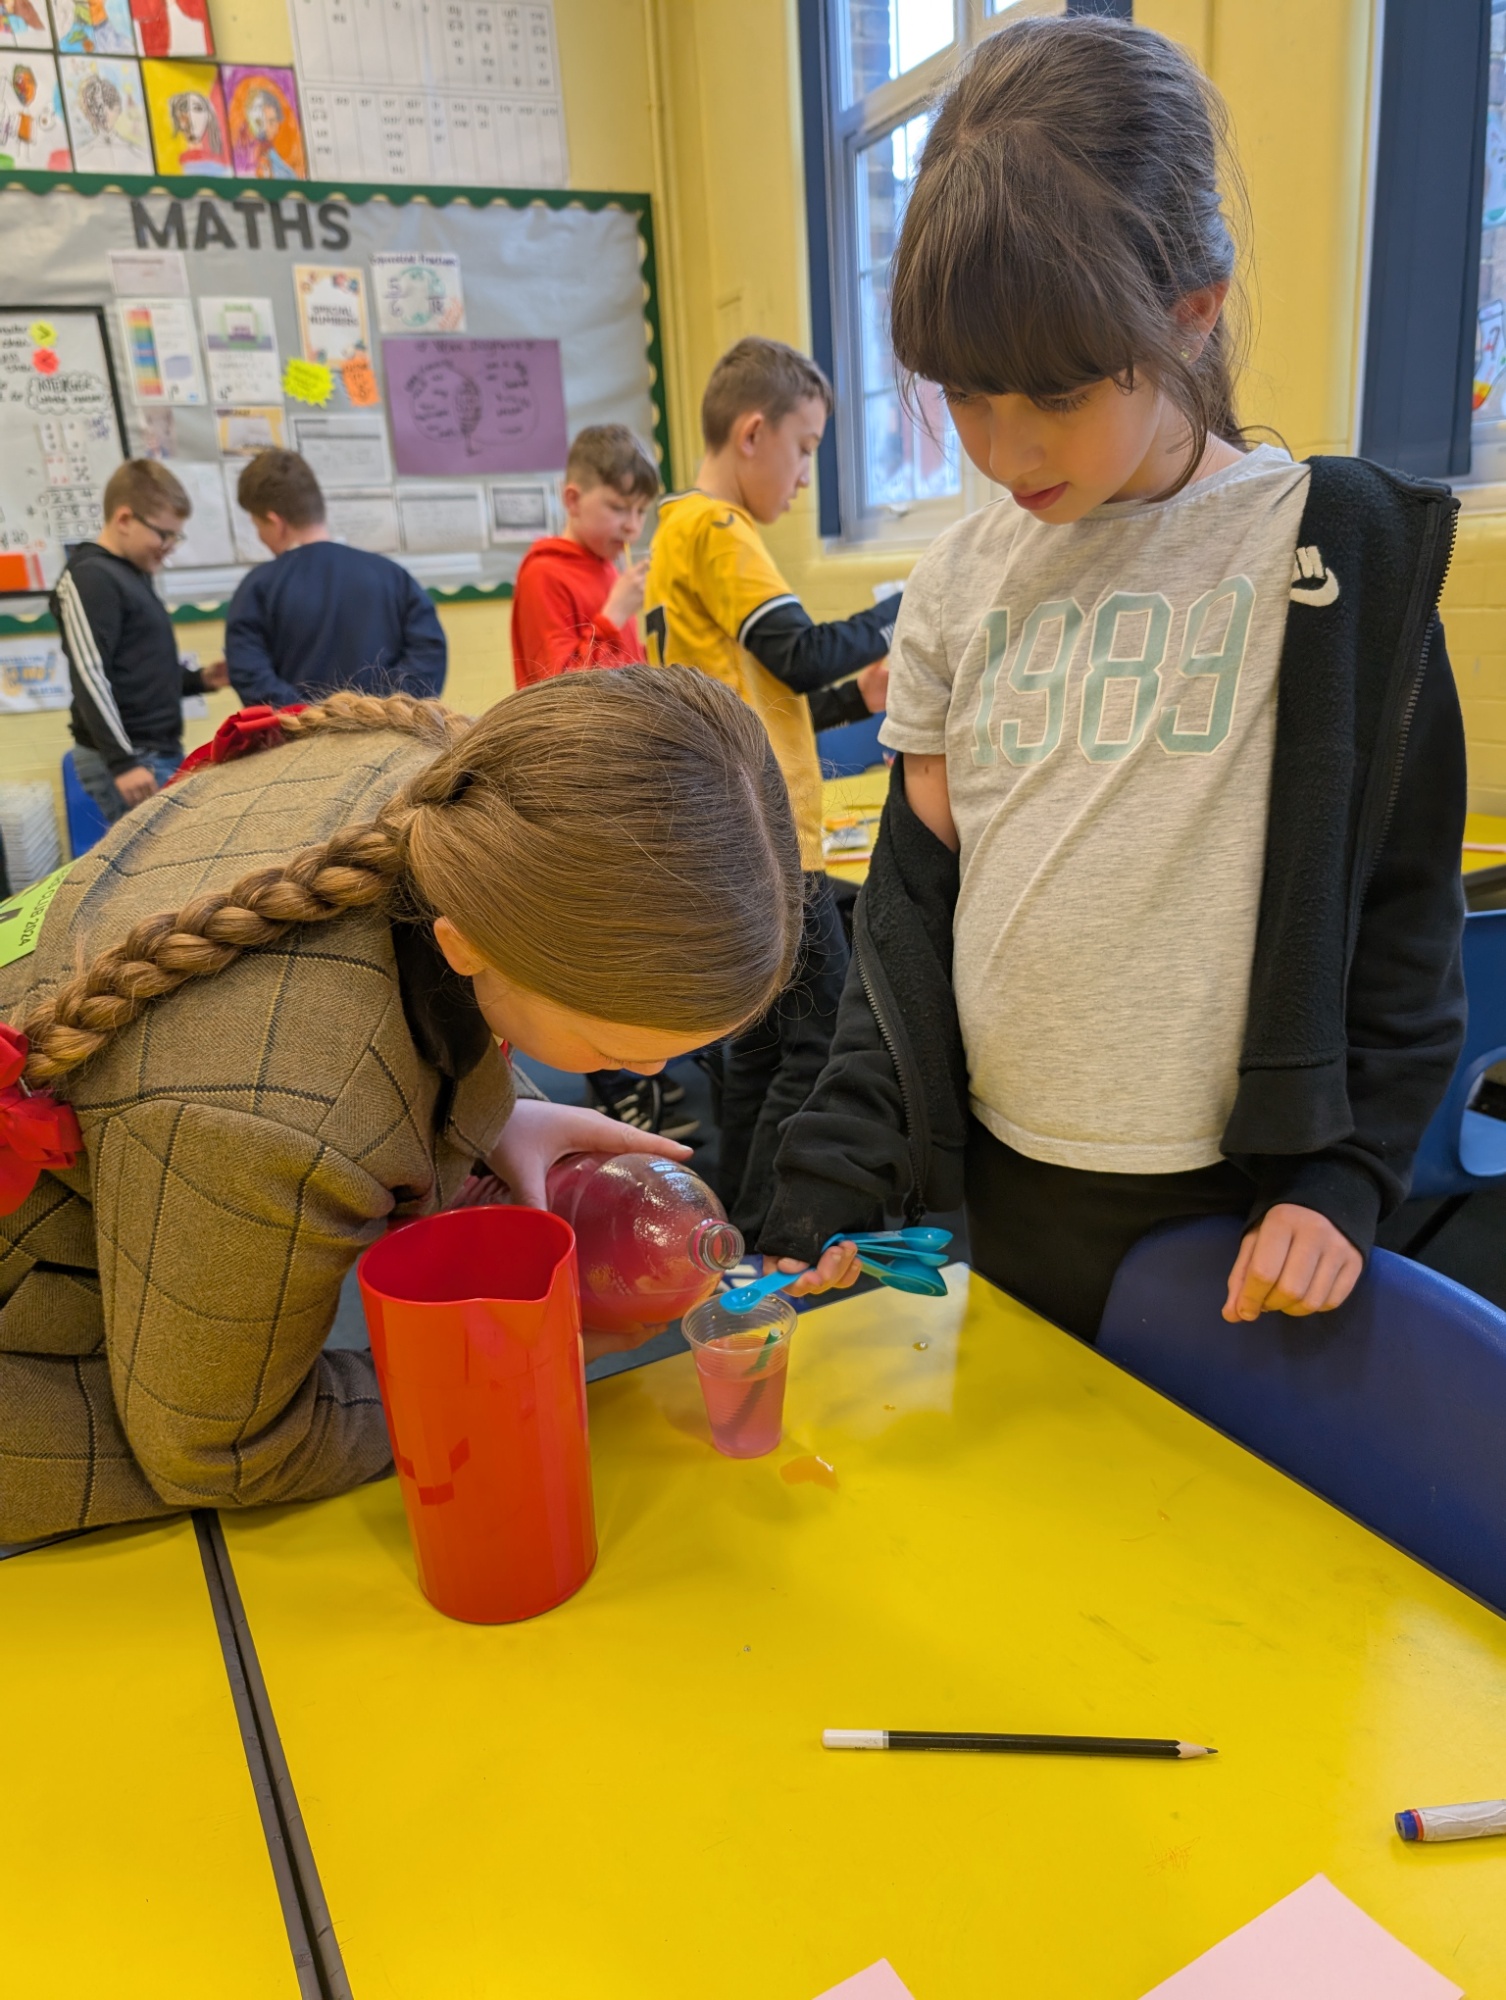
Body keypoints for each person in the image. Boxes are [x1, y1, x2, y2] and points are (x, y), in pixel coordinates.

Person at [760, 16, 1467, 1342]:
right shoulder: (959, 585)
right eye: (966, 395)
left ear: (1187, 312)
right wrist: (831, 1185)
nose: (1003, 445)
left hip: (1239, 1217)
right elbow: (906, 931)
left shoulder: (1335, 556)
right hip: (1008, 1199)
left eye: (1055, 390)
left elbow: (1402, 914)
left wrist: (1342, 1174)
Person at [0, 670, 859, 1544]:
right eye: (613, 1052)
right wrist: (509, 1375)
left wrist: (498, 1113)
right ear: (468, 945)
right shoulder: (271, 1111)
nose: (655, 1070)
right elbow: (225, 1447)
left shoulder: (461, 795)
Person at [644, 337, 896, 1236]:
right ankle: (758, 1233)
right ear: (753, 432)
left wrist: (849, 698)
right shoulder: (718, 529)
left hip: (735, 833)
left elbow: (761, 700)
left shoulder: (673, 531)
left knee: (758, 1046)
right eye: (806, 447)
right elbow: (796, 649)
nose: (802, 479)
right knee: (821, 1033)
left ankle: (724, 1226)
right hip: (772, 843)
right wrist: (913, 599)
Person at [53, 459, 228, 826]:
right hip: (131, 758)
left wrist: (200, 681)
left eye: (175, 536)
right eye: (163, 534)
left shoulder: (133, 576)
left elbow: (137, 674)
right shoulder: (91, 577)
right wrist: (123, 762)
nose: (168, 546)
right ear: (124, 520)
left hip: (153, 752)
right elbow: (90, 675)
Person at [225, 450, 447, 706]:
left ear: (276, 522)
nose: (260, 537)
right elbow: (428, 653)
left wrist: (310, 717)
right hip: (391, 738)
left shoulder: (257, 588)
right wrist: (379, 711)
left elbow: (250, 675)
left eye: (258, 526)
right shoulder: (393, 576)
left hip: (300, 743)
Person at [510, 424, 657, 689]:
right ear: (573, 500)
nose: (633, 526)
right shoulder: (543, 573)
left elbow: (621, 665)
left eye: (641, 511)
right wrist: (614, 615)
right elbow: (561, 689)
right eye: (619, 508)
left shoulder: (609, 568)